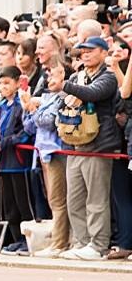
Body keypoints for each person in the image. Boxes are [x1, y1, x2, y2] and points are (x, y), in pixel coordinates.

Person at [59, 36, 119, 261]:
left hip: (99, 145)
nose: (85, 54)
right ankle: (81, 241)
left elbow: (94, 93)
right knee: (74, 198)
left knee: (96, 199)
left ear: (104, 52)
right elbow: (63, 101)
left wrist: (65, 86)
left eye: (91, 50)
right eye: (82, 50)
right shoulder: (77, 76)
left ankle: (98, 244)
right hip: (74, 143)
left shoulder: (108, 76)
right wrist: (68, 90)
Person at [25, 62, 71, 257]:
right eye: (48, 75)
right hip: (43, 153)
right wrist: (28, 107)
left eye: (54, 75)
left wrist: (35, 110)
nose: (49, 80)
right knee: (54, 198)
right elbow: (29, 127)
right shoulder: (46, 97)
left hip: (58, 151)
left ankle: (60, 243)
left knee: (59, 199)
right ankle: (58, 240)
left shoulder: (62, 97)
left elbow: (49, 123)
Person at [0, 66, 34, 253]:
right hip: (4, 162)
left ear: (17, 83)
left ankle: (27, 240)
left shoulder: (21, 105)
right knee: (10, 205)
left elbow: (25, 133)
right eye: (1, 83)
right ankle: (15, 239)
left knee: (24, 203)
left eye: (7, 83)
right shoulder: (1, 106)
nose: (3, 87)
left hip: (20, 161)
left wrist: (3, 143)